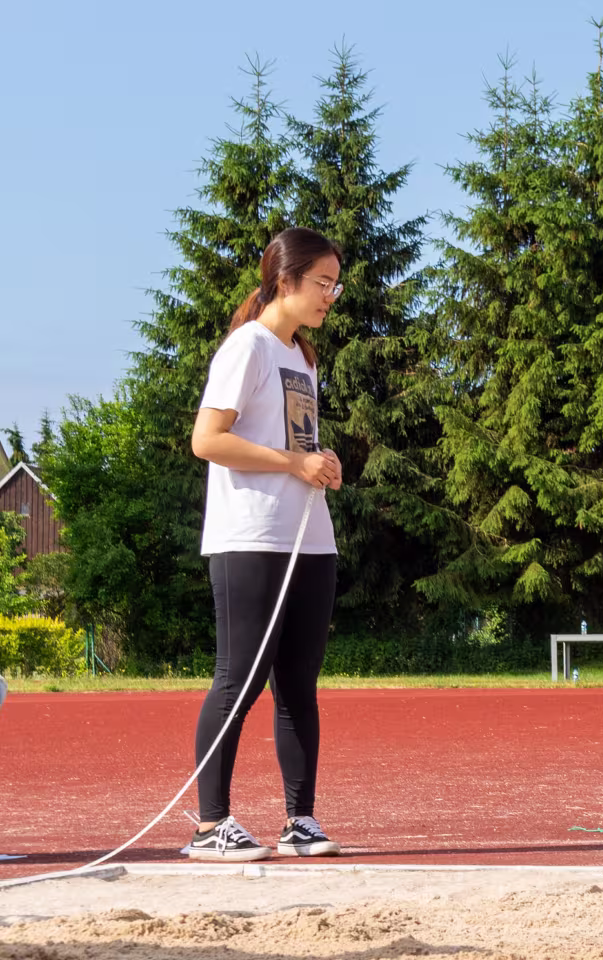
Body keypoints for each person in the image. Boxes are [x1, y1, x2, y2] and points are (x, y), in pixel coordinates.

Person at [186, 227, 345, 862]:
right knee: (239, 678)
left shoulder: (302, 356)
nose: (330, 295)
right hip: (250, 536)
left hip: (310, 537)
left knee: (299, 685)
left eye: (336, 286)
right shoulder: (247, 347)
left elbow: (295, 445)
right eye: (322, 283)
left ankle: (299, 820)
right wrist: (291, 462)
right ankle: (210, 826)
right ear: (286, 281)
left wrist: (319, 462)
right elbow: (207, 440)